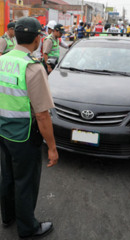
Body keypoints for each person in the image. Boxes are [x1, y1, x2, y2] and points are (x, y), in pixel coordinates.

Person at [0, 16, 59, 239]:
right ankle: (28, 228)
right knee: (25, 182)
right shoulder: (33, 68)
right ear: (37, 38)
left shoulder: (2, 60)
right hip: (24, 136)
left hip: (3, 132)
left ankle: (7, 217)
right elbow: (43, 116)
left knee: (7, 176)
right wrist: (52, 148)